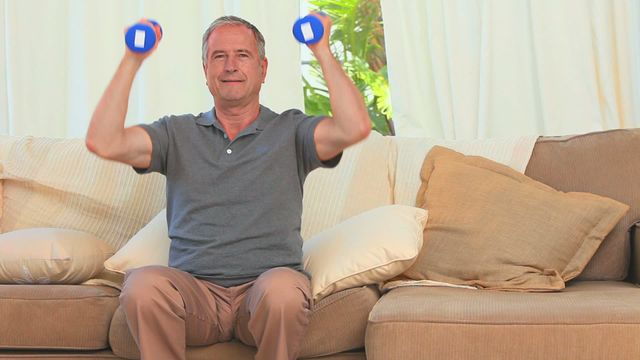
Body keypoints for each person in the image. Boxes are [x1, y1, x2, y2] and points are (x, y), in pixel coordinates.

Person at [86, 14, 370, 360]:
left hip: (263, 295)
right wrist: (133, 58)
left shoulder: (292, 131)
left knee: (283, 288)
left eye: (242, 55)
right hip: (196, 297)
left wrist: (321, 49)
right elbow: (103, 141)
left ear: (263, 69)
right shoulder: (176, 134)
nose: (230, 66)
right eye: (219, 57)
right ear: (206, 71)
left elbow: (354, 127)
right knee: (142, 284)